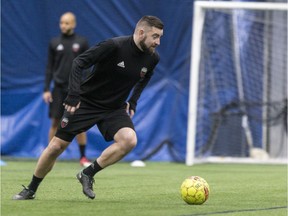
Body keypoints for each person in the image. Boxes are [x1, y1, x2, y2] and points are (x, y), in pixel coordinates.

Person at [13, 15, 164, 200]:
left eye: (160, 37)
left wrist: (133, 100)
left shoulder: (152, 58)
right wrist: (74, 94)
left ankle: (87, 173)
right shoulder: (113, 46)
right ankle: (31, 189)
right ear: (141, 33)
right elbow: (79, 63)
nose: (158, 42)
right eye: (155, 36)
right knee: (55, 147)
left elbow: (145, 76)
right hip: (86, 102)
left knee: (129, 140)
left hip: (113, 108)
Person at [42, 12, 91, 167]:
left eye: (67, 23)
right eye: (62, 22)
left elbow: (88, 66)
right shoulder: (54, 42)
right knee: (55, 122)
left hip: (76, 90)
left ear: (74, 24)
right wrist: (46, 89)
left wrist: (86, 87)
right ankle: (50, 157)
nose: (64, 25)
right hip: (58, 89)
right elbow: (50, 67)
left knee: (79, 123)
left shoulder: (82, 42)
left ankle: (83, 157)